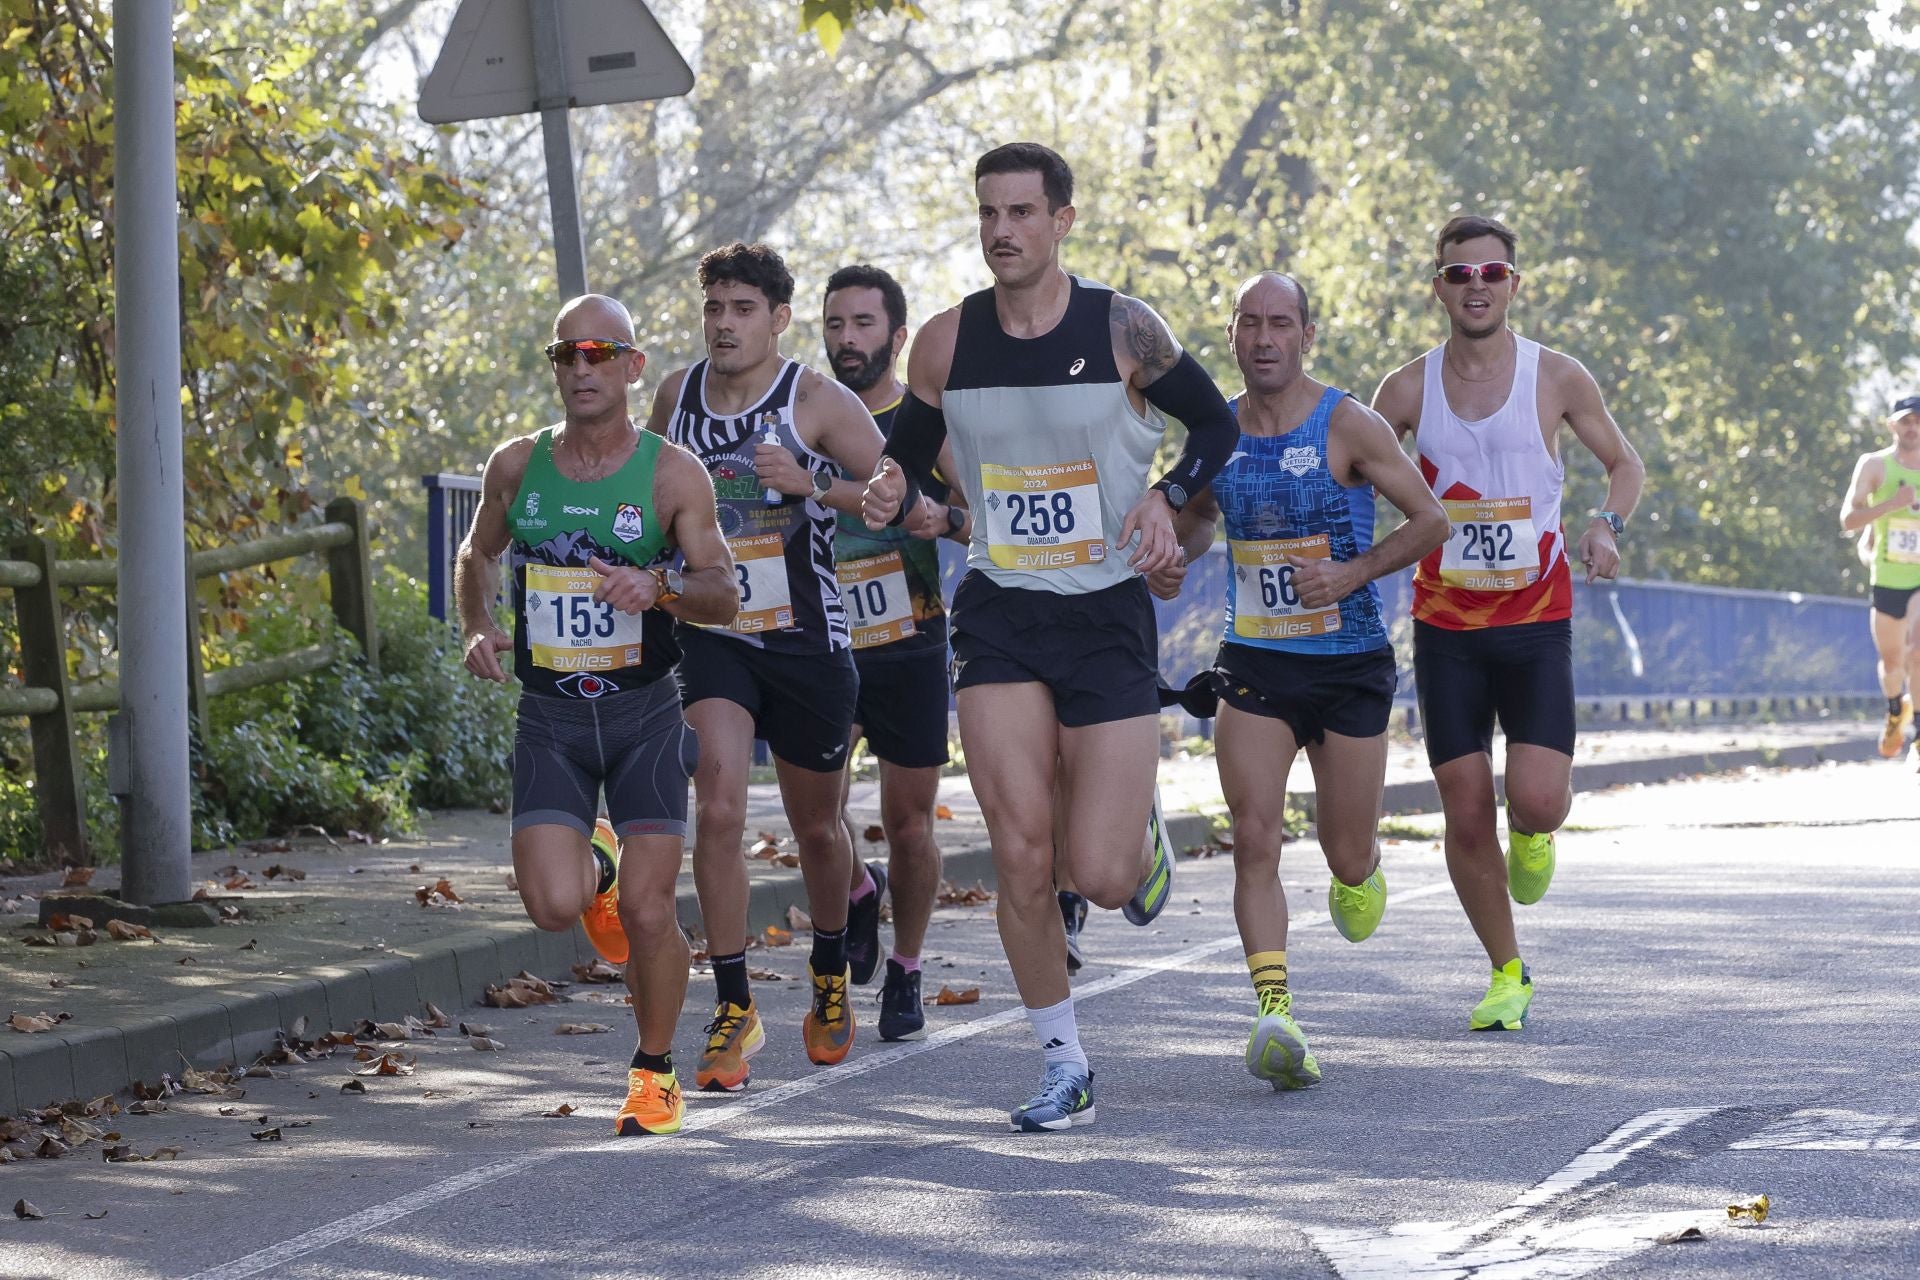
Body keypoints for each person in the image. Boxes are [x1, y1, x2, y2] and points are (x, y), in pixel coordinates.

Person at [863, 142, 1238, 1131]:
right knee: (1022, 852)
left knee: (1102, 873)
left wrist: (1165, 496)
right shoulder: (943, 342)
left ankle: (1133, 831)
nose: (1001, 231)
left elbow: (1216, 428)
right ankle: (1062, 1058)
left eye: (1022, 212)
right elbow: (906, 455)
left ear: (1062, 218)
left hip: (1107, 610)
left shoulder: (1123, 327)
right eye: (989, 212)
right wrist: (888, 485)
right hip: (1000, 612)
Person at [1153, 271, 1447, 1087]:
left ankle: (1362, 869)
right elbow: (1201, 514)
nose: (1263, 339)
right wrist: (1175, 553)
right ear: (1234, 333)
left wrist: (1352, 575)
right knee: (1254, 834)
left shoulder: (1347, 422)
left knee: (1344, 854)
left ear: (1305, 336)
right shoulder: (1217, 429)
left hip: (1349, 665)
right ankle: (1274, 1014)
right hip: (1254, 658)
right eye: (1249, 323)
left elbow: (1432, 520)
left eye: (1280, 324)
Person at [456, 294, 739, 1136]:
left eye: (598, 353)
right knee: (551, 906)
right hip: (550, 720)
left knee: (653, 915)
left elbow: (722, 592)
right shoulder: (517, 465)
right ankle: (598, 871)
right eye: (565, 354)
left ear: (630, 366)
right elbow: (478, 552)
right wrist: (477, 623)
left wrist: (659, 587)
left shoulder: (670, 474)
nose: (580, 368)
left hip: (646, 716)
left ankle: (653, 1074)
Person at [1373, 215, 1644, 1032]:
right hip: (1447, 626)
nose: (1477, 287)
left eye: (1492, 273)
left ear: (1513, 285)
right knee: (1461, 808)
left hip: (1534, 620)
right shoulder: (1406, 390)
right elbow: (1355, 472)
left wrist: (1606, 527)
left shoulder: (1557, 377)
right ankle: (1506, 971)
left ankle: (1536, 828)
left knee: (1538, 801)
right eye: (1460, 275)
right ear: (1439, 288)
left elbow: (1623, 463)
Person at [645, 243, 887, 1092]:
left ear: (779, 320)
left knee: (817, 829)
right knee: (715, 805)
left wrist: (814, 481)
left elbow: (892, 493)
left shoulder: (818, 400)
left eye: (742, 309)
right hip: (714, 635)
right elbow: (647, 490)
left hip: (808, 642)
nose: (724, 324)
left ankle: (828, 976)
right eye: (714, 307)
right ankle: (735, 1004)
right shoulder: (676, 397)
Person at [821, 263, 972, 1042]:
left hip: (908, 640)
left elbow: (982, 517)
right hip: (823, 641)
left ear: (898, 336)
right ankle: (854, 893)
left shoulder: (926, 424)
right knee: (817, 809)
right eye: (836, 324)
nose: (848, 340)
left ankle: (907, 969)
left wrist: (939, 520)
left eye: (864, 325)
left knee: (909, 825)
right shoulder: (805, 414)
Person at [1840, 394, 1920, 760]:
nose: (1914, 428)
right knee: (1892, 664)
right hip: (1887, 577)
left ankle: (1918, 734)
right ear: (1892, 425)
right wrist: (1893, 504)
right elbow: (1848, 521)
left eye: (1919, 421)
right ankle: (1894, 710)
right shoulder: (1874, 466)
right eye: (1906, 421)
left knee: (1917, 652)